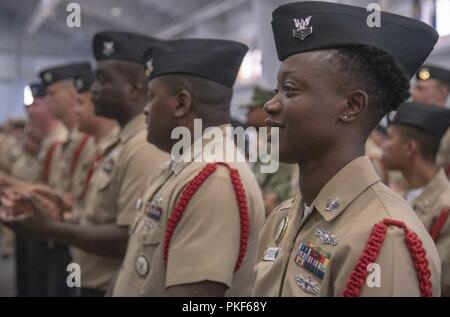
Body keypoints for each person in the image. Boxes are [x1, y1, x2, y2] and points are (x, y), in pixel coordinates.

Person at [252, 1, 441, 297]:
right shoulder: (285, 215)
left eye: (289, 90)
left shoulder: (384, 239)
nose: (271, 104)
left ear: (352, 106)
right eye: (277, 90)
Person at [0, 31, 168, 297]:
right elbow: (93, 212)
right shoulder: (120, 146)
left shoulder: (142, 149)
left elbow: (129, 238)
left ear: (136, 89)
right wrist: (51, 207)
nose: (93, 90)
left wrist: (54, 228)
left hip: (109, 284)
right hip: (92, 277)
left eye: (102, 80)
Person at [112, 38, 265, 296]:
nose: (146, 110)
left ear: (181, 104)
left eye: (151, 98)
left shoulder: (213, 178)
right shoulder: (184, 165)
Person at [381, 101, 450, 296]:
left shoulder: (445, 208)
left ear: (409, 148)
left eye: (389, 138)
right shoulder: (394, 194)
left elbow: (441, 285)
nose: (383, 146)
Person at [242, 86, 297, 216]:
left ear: (265, 110)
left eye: (251, 109)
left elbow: (277, 201)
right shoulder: (265, 146)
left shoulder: (282, 148)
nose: (246, 114)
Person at [411, 65, 450, 175]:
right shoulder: (413, 125)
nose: (413, 93)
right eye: (415, 88)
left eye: (421, 88)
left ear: (443, 92)